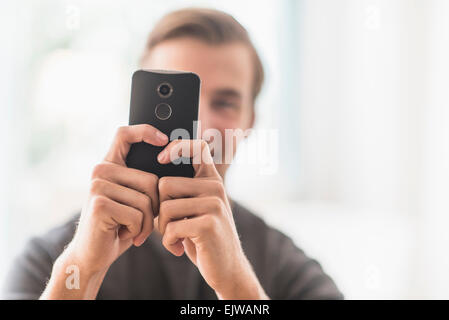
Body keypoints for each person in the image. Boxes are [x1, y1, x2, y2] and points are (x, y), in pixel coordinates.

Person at [2, 8, 343, 300]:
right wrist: (80, 272)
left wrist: (237, 286)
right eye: (180, 100)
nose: (200, 126)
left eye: (224, 102)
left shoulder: (283, 265)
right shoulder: (50, 261)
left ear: (249, 121)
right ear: (135, 107)